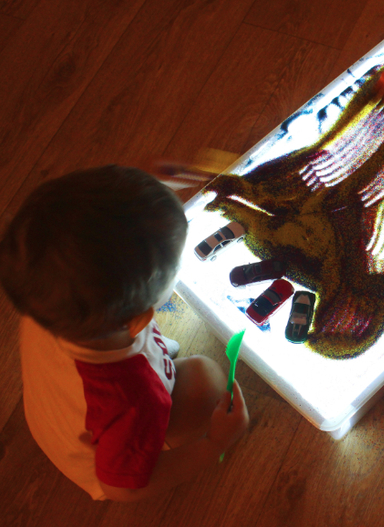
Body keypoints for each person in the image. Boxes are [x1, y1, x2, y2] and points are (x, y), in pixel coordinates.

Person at [0, 165, 250, 501]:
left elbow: (94, 240)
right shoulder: (132, 398)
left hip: (66, 414)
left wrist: (139, 194)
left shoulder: (49, 295)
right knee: (207, 380)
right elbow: (122, 489)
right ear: (136, 320)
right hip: (110, 462)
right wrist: (214, 444)